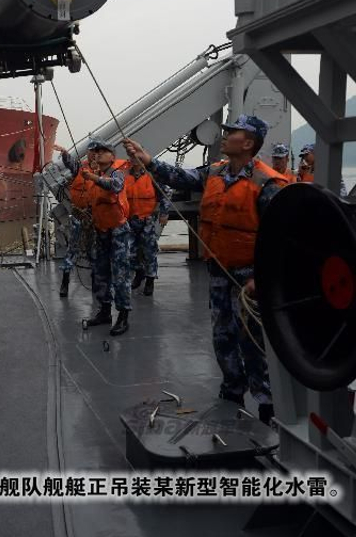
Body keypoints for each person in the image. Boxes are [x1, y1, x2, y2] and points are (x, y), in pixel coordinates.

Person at [124, 115, 288, 425]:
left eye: (231, 133)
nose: (223, 136)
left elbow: (281, 239)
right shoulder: (214, 172)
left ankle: (266, 403)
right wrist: (147, 160)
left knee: (254, 342)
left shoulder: (267, 184)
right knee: (222, 335)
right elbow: (179, 177)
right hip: (218, 273)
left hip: (249, 279)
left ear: (249, 143)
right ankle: (232, 391)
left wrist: (260, 278)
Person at [82, 139, 131, 336]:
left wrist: (93, 178)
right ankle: (104, 311)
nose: (98, 154)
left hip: (118, 231)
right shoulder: (99, 174)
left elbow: (116, 187)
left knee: (120, 274)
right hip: (101, 230)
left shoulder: (116, 173)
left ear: (112, 156)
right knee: (100, 273)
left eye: (103, 152)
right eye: (97, 152)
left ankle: (123, 315)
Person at [126, 156, 171, 295]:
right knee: (129, 252)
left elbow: (166, 192)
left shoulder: (152, 176)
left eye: (137, 158)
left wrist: (164, 213)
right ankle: (139, 272)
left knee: (149, 252)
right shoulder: (124, 175)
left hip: (147, 220)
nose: (134, 161)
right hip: (129, 220)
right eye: (132, 158)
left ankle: (150, 279)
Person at [58, 146, 97, 297]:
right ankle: (65, 282)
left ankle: (95, 282)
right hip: (78, 217)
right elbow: (69, 163)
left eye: (96, 151)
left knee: (93, 252)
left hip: (95, 218)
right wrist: (65, 154)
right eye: (91, 151)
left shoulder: (103, 171)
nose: (93, 154)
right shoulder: (79, 168)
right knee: (72, 250)